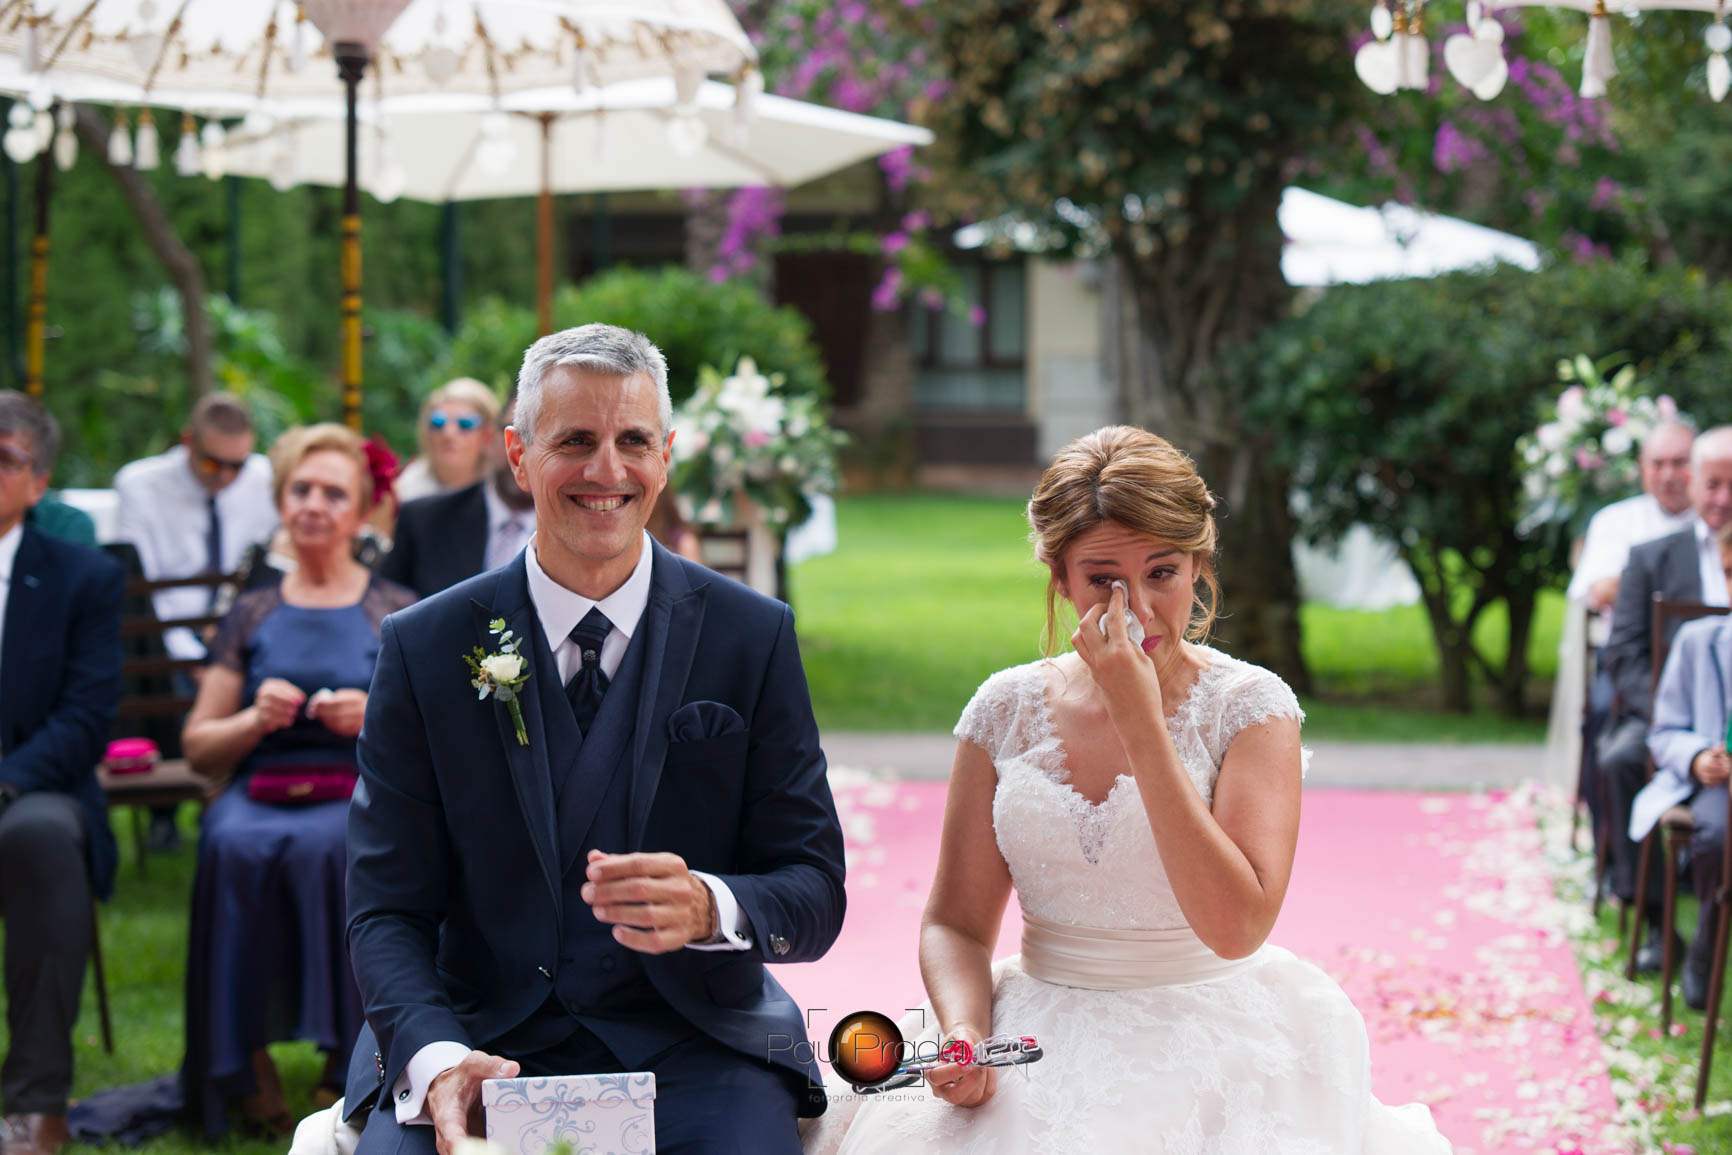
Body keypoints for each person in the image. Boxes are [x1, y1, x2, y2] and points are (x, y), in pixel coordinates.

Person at [821, 426, 1450, 1154]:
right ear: (1061, 577)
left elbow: (1236, 927)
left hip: (1213, 1041)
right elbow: (956, 922)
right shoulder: (1003, 708)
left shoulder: (1251, 708)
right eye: (1103, 579)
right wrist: (966, 1027)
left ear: (1198, 566)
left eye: (1162, 572)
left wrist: (1142, 723)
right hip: (1036, 1033)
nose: (1138, 609)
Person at [340, 324, 846, 1155]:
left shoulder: (752, 636)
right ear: (518, 454)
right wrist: (436, 1060)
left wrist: (711, 905)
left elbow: (814, 887)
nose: (607, 471)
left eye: (633, 441)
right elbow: (385, 908)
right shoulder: (423, 646)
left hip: (695, 1046)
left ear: (666, 457)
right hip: (478, 1040)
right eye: (575, 440)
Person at [178, 424, 415, 1139]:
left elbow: (435, 740)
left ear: (362, 510)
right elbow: (198, 745)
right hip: (259, 787)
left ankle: (348, 1061)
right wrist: (253, 718)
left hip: (356, 789)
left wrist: (371, 716)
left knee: (336, 848)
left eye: (332, 493)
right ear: (281, 500)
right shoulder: (253, 610)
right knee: (229, 843)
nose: (313, 504)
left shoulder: (394, 608)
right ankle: (243, 1061)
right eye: (300, 489)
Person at [0, 392, 123, 1155]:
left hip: (34, 791)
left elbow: (85, 717)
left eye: (3, 457)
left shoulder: (83, 577)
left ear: (38, 481)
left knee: (40, 836)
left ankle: (34, 1102)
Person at [113, 392, 278, 851]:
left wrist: (226, 653)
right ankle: (165, 809)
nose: (225, 476)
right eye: (212, 463)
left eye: (236, 466)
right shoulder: (140, 485)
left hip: (241, 632)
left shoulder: (265, 479)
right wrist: (196, 659)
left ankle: (243, 794)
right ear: (188, 441)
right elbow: (143, 591)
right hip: (164, 638)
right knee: (152, 666)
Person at [1599, 425, 1732, 971]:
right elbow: (1624, 654)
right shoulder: (1652, 557)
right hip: (1668, 711)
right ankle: (1656, 919)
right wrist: (1674, 725)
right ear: (1694, 484)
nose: (1722, 499)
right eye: (1713, 484)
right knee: (1621, 759)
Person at [1558, 420, 1695, 904]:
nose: (1670, 474)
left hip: (1704, 666)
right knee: (1603, 724)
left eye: (1681, 463)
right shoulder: (1617, 521)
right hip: (1632, 663)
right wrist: (1647, 580)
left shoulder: (1715, 520)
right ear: (1642, 469)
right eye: (1659, 464)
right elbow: (1595, 590)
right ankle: (1615, 858)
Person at [1629, 518, 1732, 1011]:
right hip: (1717, 786)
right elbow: (1663, 732)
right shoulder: (1699, 641)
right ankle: (1708, 941)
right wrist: (1696, 757)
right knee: (1718, 832)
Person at [379, 395, 535, 599]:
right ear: (491, 438)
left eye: (540, 436)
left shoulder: (573, 532)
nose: (521, 449)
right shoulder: (422, 520)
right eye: (515, 432)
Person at [391, 378, 500, 504]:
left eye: (465, 424)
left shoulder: (502, 489)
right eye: (438, 422)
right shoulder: (406, 490)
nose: (448, 433)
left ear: (488, 436)